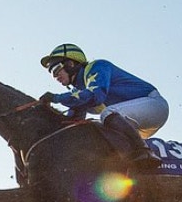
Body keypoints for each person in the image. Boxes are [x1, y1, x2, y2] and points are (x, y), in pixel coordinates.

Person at [38, 43, 168, 172]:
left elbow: (95, 96)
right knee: (98, 131)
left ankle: (145, 152)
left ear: (70, 64)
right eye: (52, 74)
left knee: (107, 113)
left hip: (154, 105)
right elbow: (71, 123)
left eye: (55, 70)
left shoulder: (97, 66)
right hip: (133, 121)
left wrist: (57, 98)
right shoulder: (80, 90)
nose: (55, 77)